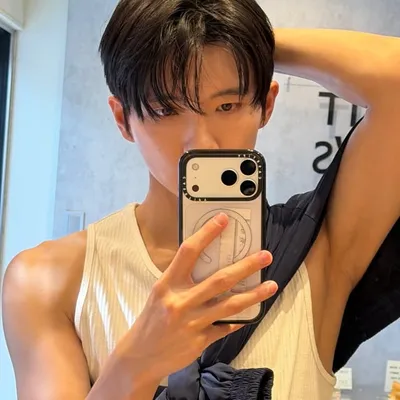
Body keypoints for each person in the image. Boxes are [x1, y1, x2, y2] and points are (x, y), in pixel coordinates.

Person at [2, 0, 400, 399]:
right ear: (123, 119)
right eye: (165, 109)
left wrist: (246, 43)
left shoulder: (318, 252)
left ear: (266, 105)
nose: (203, 143)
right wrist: (137, 362)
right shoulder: (49, 281)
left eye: (227, 105)